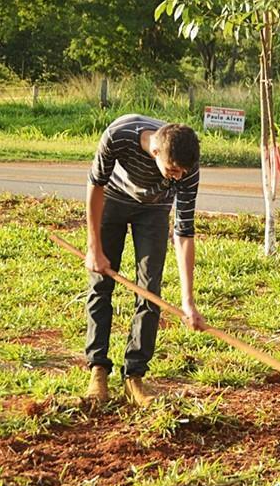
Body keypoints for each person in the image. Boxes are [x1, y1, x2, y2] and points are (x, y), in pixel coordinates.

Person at [84, 114, 205, 406]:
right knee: (101, 282)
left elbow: (184, 231)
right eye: (172, 170)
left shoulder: (187, 167)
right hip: (112, 199)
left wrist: (187, 300)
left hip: (153, 211)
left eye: (182, 172)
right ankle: (98, 370)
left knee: (150, 290)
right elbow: (95, 186)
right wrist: (94, 248)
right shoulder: (118, 136)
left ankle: (134, 377)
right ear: (155, 152)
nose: (178, 176)